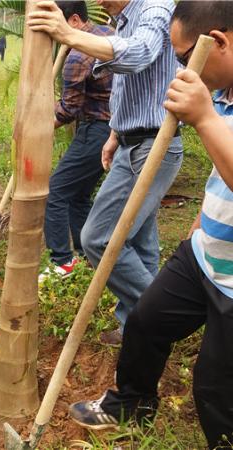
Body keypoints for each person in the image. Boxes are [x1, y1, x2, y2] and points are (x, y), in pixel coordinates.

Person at [69, 4, 233, 447]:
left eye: (181, 58)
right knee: (144, 322)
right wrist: (200, 224)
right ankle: (130, 404)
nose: (178, 68)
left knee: (215, 389)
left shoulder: (211, 105)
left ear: (218, 41)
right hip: (204, 252)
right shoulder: (224, 95)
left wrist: (202, 118)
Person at [29, 0, 183, 344]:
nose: (97, 0)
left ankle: (160, 317)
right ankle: (136, 327)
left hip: (154, 146)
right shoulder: (123, 19)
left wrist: (67, 34)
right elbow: (129, 87)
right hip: (131, 142)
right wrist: (115, 133)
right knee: (141, 242)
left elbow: (139, 54)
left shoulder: (155, 9)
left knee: (98, 238)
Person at [38, 1, 113, 282]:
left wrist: (40, 127)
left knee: (55, 192)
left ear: (74, 20)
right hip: (116, 129)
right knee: (79, 195)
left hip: (96, 131)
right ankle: (85, 255)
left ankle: (62, 263)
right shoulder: (108, 34)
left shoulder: (78, 55)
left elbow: (68, 110)